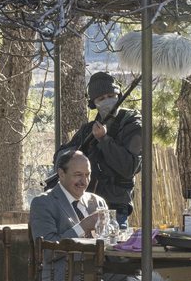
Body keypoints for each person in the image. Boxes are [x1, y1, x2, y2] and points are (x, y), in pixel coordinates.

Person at [30, 151, 185, 281]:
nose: (84, 181)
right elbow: (46, 248)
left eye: (87, 174)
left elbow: (112, 236)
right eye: (77, 175)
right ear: (61, 173)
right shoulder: (44, 203)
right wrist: (81, 227)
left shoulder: (97, 202)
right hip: (63, 277)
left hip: (101, 268)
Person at [53, 72, 141, 228]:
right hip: (87, 207)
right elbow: (62, 155)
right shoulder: (89, 129)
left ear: (118, 95)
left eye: (111, 95)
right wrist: (74, 157)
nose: (107, 101)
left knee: (113, 250)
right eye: (101, 99)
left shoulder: (133, 124)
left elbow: (128, 167)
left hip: (115, 208)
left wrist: (104, 140)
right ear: (94, 103)